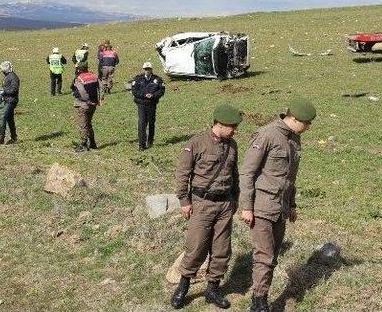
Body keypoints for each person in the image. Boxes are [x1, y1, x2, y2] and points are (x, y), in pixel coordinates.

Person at [239, 98, 316, 312]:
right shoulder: (267, 135)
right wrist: (246, 206)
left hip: (280, 207)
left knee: (272, 255)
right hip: (262, 205)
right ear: (294, 118)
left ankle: (261, 295)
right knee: (264, 256)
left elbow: (291, 176)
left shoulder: (294, 138)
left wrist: (292, 204)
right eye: (306, 123)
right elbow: (248, 172)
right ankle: (259, 301)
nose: (308, 127)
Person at [171, 104, 243, 310]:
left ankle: (213, 289)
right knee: (196, 247)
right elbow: (182, 173)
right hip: (202, 203)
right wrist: (184, 201)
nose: (235, 131)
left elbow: (234, 174)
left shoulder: (232, 145)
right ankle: (183, 287)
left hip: (225, 204)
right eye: (232, 127)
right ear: (219, 125)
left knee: (222, 249)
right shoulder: (197, 143)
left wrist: (235, 198)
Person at [131, 61, 165, 150]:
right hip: (141, 104)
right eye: (146, 69)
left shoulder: (157, 79)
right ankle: (142, 144)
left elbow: (161, 91)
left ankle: (150, 141)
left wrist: (153, 95)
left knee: (151, 123)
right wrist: (144, 95)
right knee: (142, 123)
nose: (147, 71)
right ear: (143, 70)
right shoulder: (138, 79)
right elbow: (134, 91)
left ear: (151, 69)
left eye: (149, 69)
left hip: (152, 104)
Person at [71, 61, 100, 152]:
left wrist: (87, 100)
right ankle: (92, 143)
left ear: (79, 69)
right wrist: (97, 100)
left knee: (83, 125)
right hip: (93, 104)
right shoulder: (94, 76)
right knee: (88, 123)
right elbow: (100, 87)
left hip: (83, 104)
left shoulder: (79, 78)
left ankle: (83, 144)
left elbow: (81, 91)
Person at [0, 61, 19, 145]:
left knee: (3, 116)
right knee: (10, 119)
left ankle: (1, 138)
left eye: (2, 69)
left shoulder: (13, 77)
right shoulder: (7, 76)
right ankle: (14, 137)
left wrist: (4, 91)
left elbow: (14, 89)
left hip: (11, 100)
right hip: (7, 100)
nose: (1, 71)